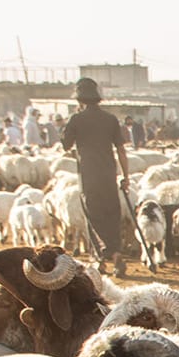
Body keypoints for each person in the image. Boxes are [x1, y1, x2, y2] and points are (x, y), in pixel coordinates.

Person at [62, 77, 133, 277]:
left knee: (93, 216)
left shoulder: (76, 120)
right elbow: (121, 150)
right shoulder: (110, 119)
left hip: (88, 176)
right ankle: (116, 255)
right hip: (109, 174)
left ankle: (100, 258)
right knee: (112, 214)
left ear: (79, 99)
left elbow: (65, 145)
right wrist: (126, 176)